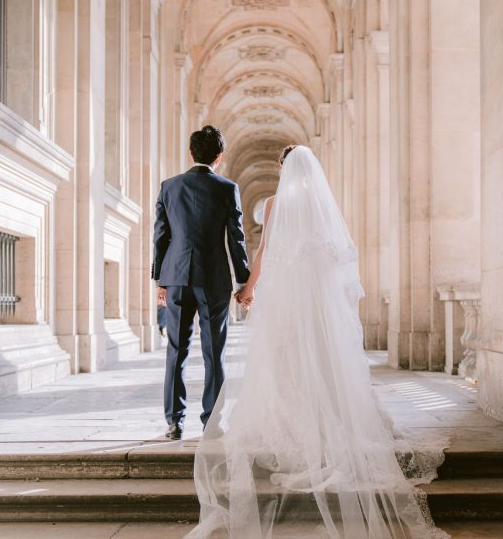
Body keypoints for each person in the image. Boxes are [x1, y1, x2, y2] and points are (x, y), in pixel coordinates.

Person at [187, 145, 449, 538]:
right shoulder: (322, 205)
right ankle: (329, 421)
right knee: (322, 360)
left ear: (283, 169)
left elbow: (264, 253)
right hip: (316, 305)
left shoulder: (276, 204)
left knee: (286, 360)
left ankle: (292, 424)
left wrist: (249, 289)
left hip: (287, 304)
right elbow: (342, 258)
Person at [151, 125, 250, 441]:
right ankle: (211, 421)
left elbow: (161, 236)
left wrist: (159, 279)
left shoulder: (169, 187)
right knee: (213, 351)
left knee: (176, 351)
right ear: (219, 157)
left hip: (176, 277)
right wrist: (244, 281)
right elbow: (236, 238)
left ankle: (174, 422)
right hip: (213, 279)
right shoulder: (227, 188)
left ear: (191, 153)